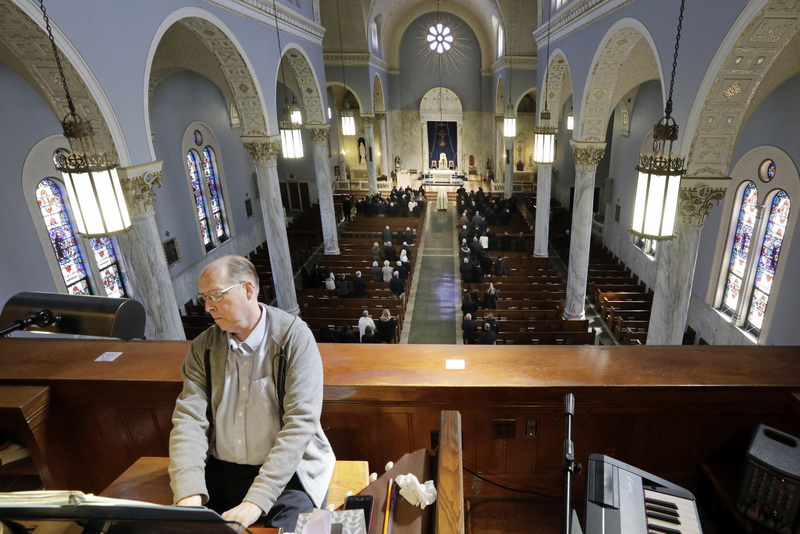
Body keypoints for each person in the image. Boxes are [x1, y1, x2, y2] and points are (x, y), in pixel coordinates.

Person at [168, 256, 335, 530]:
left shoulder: (294, 337)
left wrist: (256, 501)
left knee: (307, 528)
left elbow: (301, 422)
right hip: (220, 471)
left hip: (289, 474)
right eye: (204, 298)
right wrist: (188, 492)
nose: (208, 306)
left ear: (248, 290)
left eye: (215, 295)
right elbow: (189, 421)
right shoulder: (203, 347)